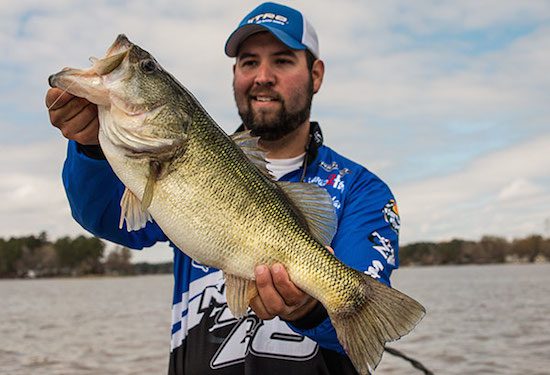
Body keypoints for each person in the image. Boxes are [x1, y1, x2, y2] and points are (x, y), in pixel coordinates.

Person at [45, 2, 401, 374]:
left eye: (282, 60)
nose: (263, 76)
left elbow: (361, 327)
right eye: (249, 62)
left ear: (316, 74)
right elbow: (106, 217)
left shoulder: (361, 190)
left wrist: (309, 308)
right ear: (235, 74)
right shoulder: (179, 156)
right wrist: (90, 148)